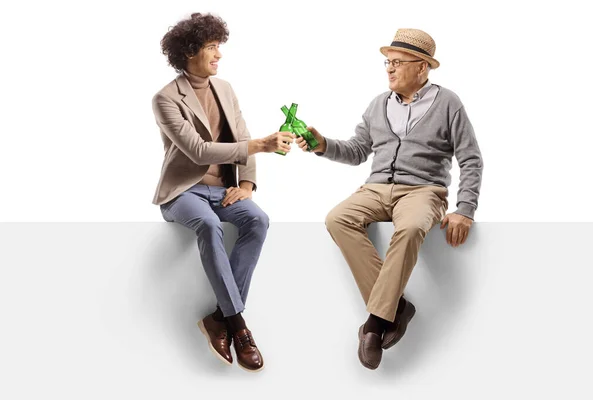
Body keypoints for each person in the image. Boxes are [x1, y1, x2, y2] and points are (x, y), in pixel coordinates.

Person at [296, 28, 483, 370]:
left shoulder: (448, 103)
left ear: (422, 67)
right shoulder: (377, 104)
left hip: (424, 190)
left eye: (397, 62)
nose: (390, 69)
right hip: (376, 188)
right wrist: (322, 144)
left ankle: (374, 324)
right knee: (338, 218)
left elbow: (470, 158)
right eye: (388, 62)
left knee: (411, 227)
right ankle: (396, 309)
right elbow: (356, 151)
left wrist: (464, 209)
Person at [152, 12, 294, 372]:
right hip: (183, 192)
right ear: (189, 52)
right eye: (212, 47)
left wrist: (246, 185)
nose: (218, 55)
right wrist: (261, 146)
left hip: (226, 190)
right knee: (210, 226)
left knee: (258, 220)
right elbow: (198, 150)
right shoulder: (165, 99)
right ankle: (238, 326)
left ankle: (218, 317)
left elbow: (241, 137)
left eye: (219, 46)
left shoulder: (225, 88)